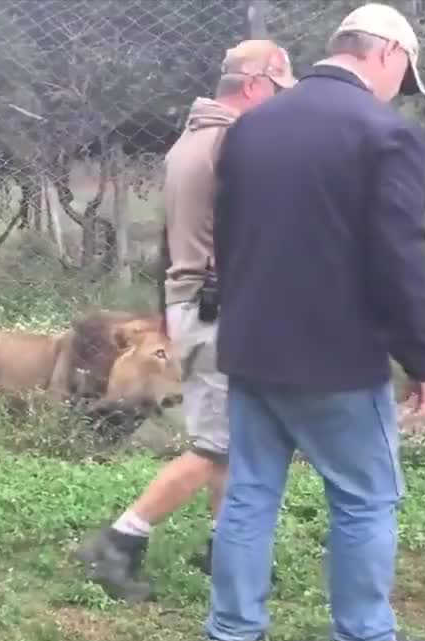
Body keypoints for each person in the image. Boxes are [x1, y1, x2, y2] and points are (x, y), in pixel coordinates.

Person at [203, 3, 425, 641]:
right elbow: (399, 257)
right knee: (365, 497)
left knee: (250, 491)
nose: (400, 90)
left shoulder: (252, 128)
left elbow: (228, 237)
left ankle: (231, 637)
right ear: (388, 53)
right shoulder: (382, 133)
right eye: (404, 76)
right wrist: (423, 358)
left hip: (252, 348)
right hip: (338, 360)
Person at [75, 39, 297, 602]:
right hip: (218, 307)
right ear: (254, 84)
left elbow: (170, 243)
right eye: (278, 92)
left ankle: (224, 549)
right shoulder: (237, 141)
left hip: (191, 302)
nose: (280, 107)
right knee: (215, 446)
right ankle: (119, 540)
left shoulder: (191, 138)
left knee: (228, 438)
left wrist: (170, 313)